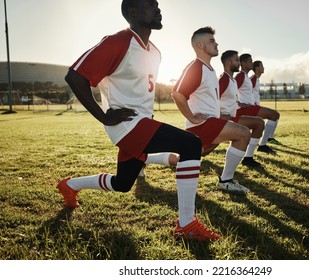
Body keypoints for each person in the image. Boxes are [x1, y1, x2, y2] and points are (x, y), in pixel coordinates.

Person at [57, 0, 220, 241]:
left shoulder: (154, 51)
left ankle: (70, 185)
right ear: (132, 12)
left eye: (157, 4)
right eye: (150, 5)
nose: (158, 8)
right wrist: (103, 116)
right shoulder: (117, 42)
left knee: (122, 183)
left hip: (142, 123)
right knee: (191, 144)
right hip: (127, 124)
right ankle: (186, 224)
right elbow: (75, 76)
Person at [172, 26, 252, 193]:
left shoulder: (210, 69)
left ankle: (146, 159)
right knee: (243, 133)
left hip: (209, 123)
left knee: (192, 155)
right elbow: (178, 94)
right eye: (211, 41)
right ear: (200, 46)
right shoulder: (196, 67)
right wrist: (193, 119)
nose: (216, 44)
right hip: (202, 124)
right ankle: (226, 181)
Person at [219, 50, 264, 168]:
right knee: (203, 149)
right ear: (229, 63)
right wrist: (220, 115)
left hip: (232, 116)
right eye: (237, 60)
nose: (239, 63)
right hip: (225, 118)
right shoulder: (224, 78)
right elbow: (214, 98)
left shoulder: (232, 79)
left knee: (258, 123)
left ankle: (247, 158)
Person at [235, 54, 280, 154]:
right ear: (243, 63)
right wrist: (238, 104)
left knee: (265, 121)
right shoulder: (241, 76)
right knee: (274, 115)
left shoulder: (246, 77)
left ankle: (256, 149)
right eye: (250, 61)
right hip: (244, 109)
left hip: (250, 107)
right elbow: (231, 91)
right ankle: (263, 145)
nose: (252, 63)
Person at [251, 60, 281, 144]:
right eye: (262, 66)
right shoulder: (253, 78)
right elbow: (246, 92)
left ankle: (270, 137)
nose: (263, 68)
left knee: (276, 115)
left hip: (256, 106)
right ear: (257, 68)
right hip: (252, 107)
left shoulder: (256, 79)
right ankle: (264, 142)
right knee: (274, 115)